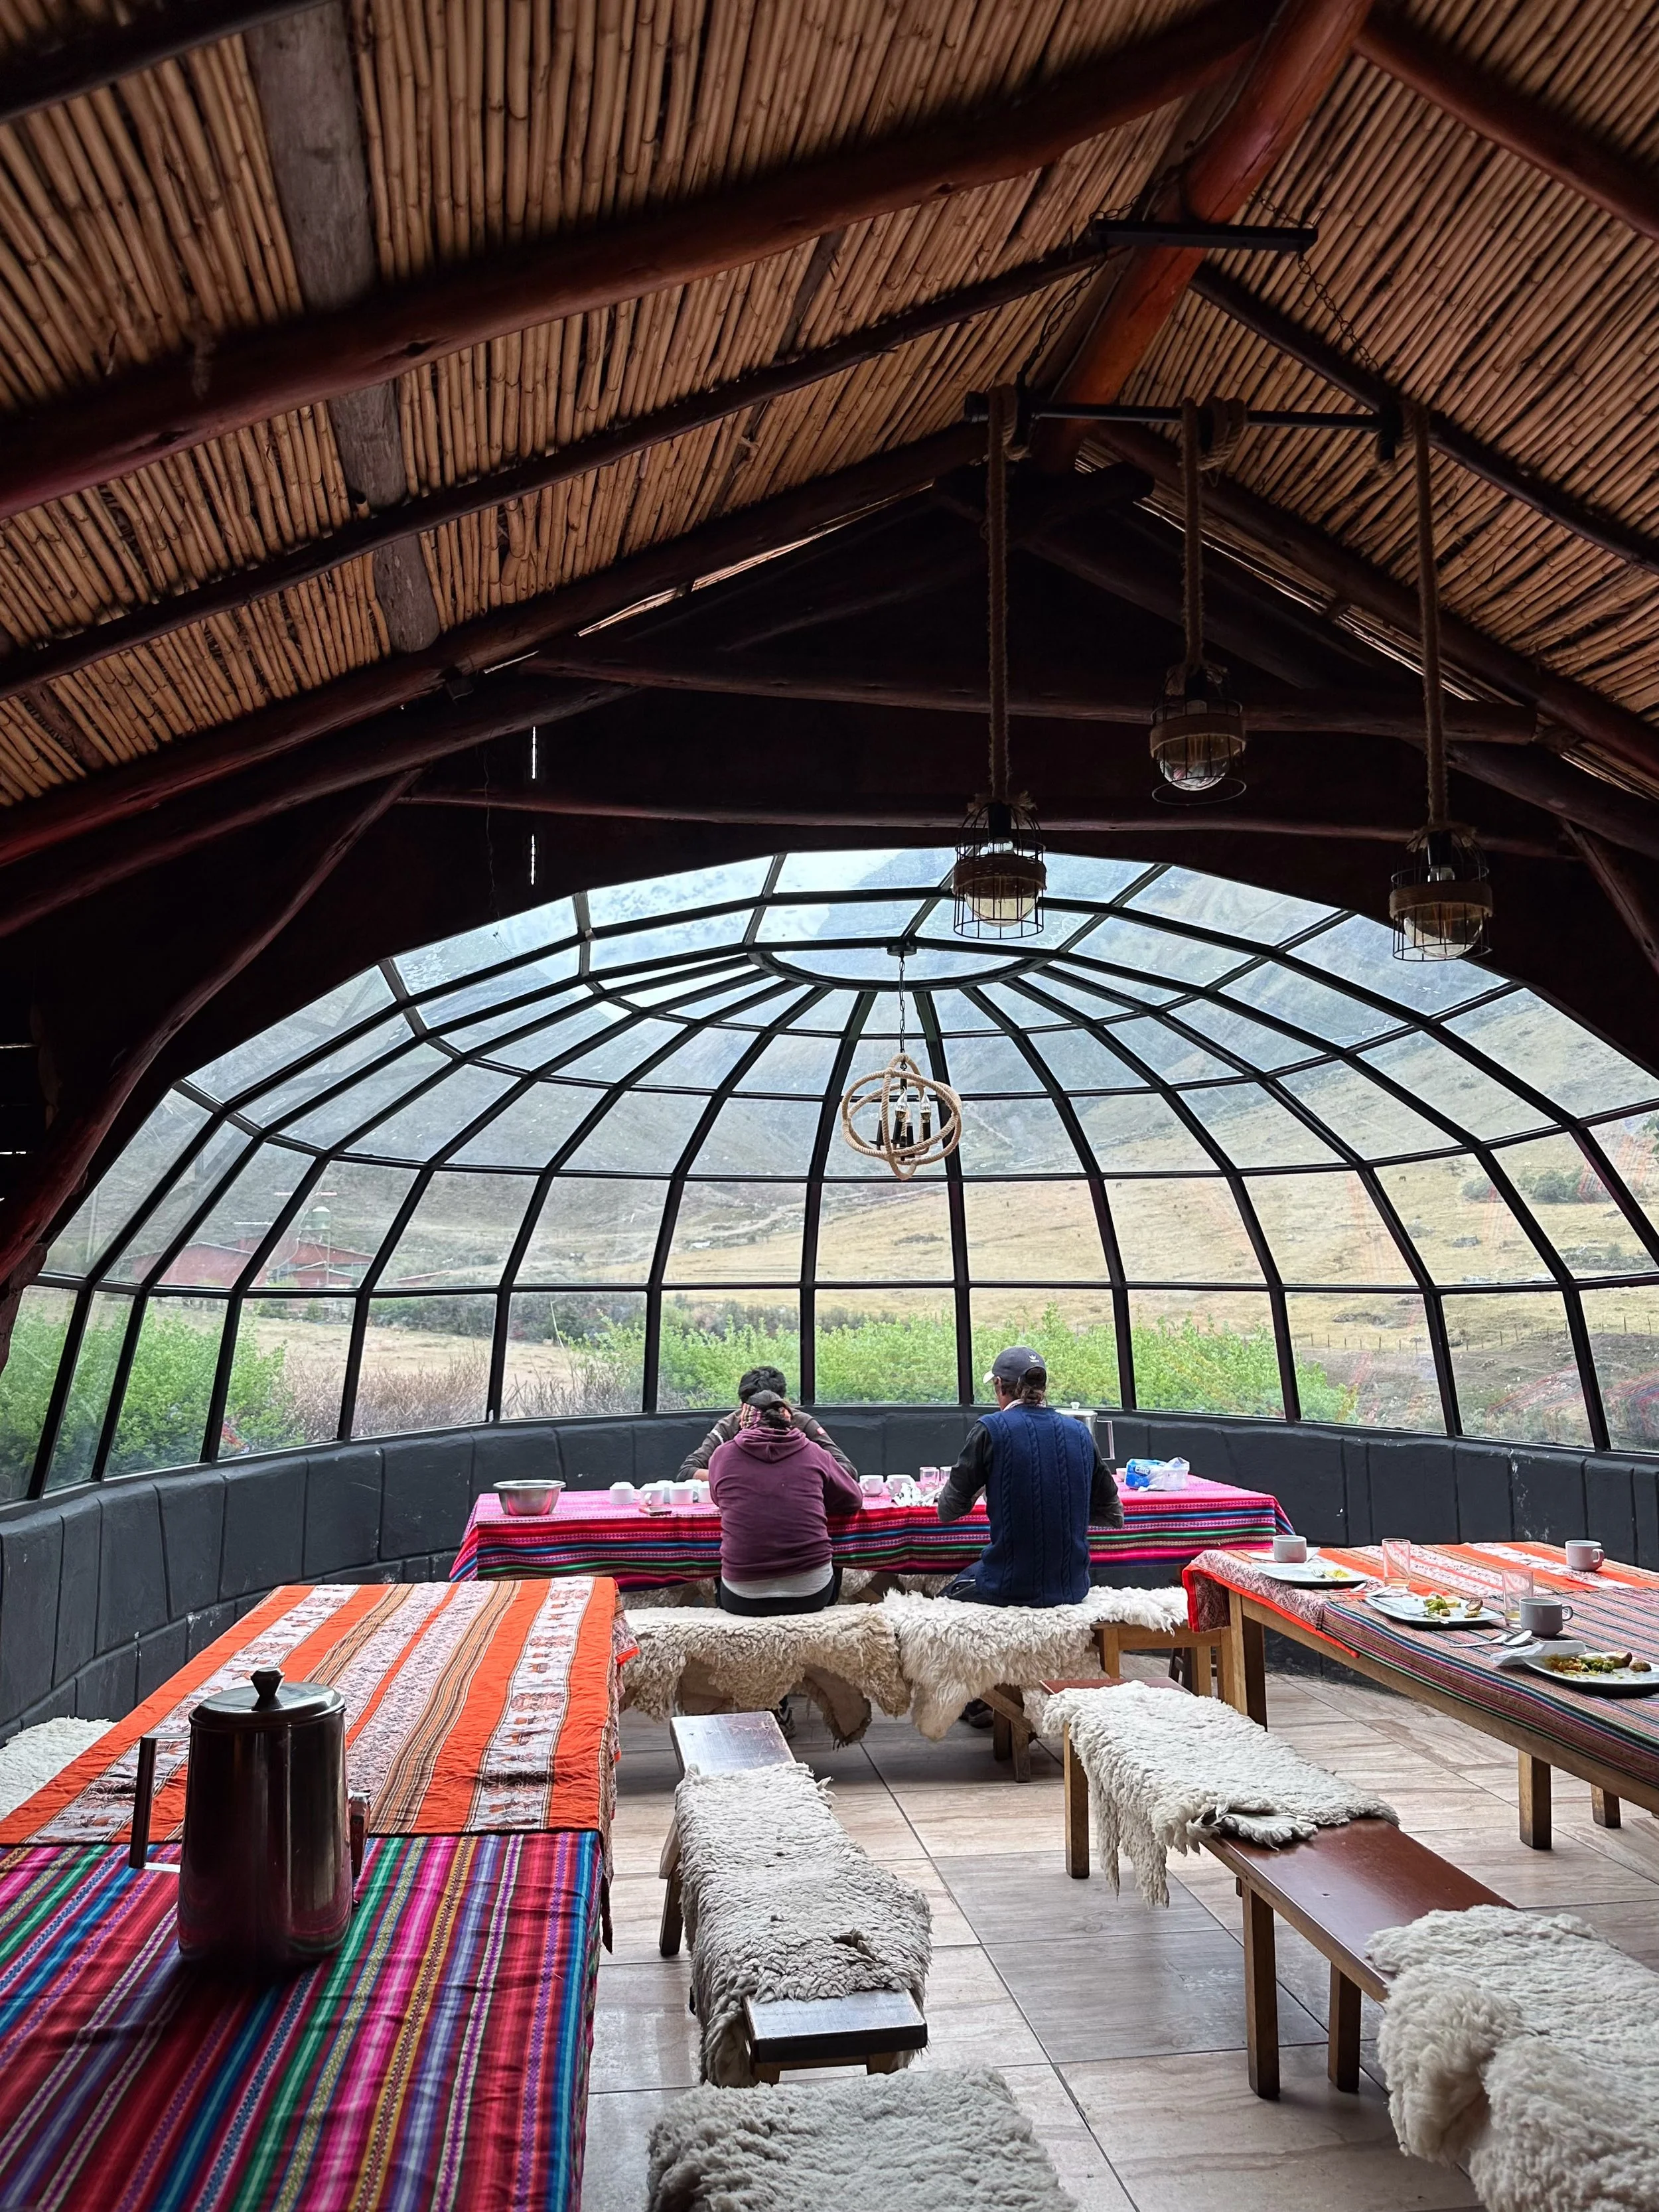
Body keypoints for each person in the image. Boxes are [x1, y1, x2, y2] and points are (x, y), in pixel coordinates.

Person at [936, 1346, 1121, 1609]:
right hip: (1073, 1588)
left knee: (946, 1594)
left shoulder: (991, 1429)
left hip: (1008, 1588)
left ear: (1000, 1386)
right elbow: (1113, 1514)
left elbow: (948, 1511)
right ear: (1042, 1389)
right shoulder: (1080, 1432)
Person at [706, 1390, 865, 1615]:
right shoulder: (813, 1452)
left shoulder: (721, 1456)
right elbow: (854, 1499)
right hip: (813, 1595)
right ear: (788, 1418)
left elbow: (718, 1498)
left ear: (743, 1419)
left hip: (742, 1598)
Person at [676, 1364, 857, 1483]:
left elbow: (847, 1470)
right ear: (742, 1409)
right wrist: (737, 1478)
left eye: (769, 1410)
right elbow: (687, 1471)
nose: (761, 1422)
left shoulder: (802, 1422)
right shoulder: (729, 1425)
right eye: (753, 1412)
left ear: (783, 1406)